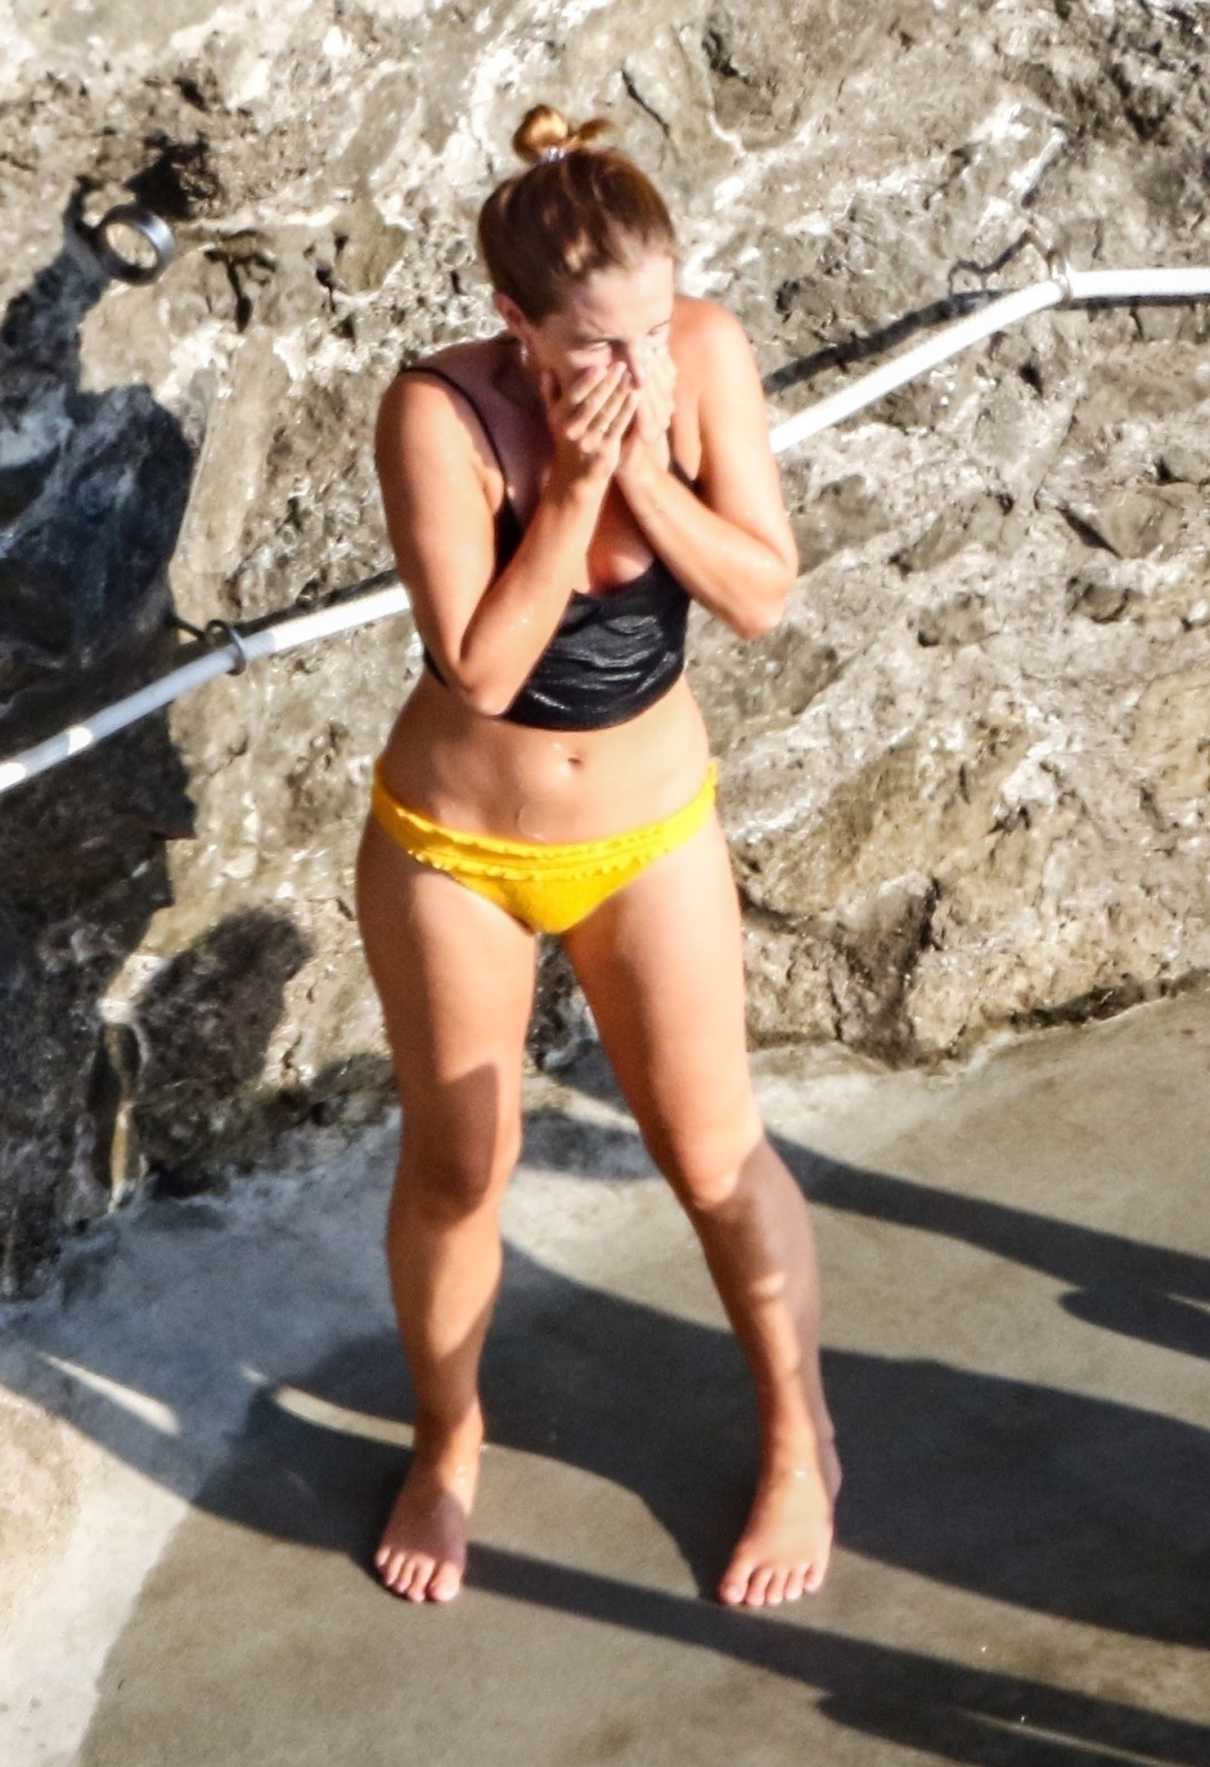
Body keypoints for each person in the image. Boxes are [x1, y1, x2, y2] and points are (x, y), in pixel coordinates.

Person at [354, 102, 841, 1609]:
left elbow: (759, 594)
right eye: (595, 345)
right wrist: (570, 486)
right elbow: (484, 668)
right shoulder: (436, 414)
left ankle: (799, 1438)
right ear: (514, 323)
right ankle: (448, 1441)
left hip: (650, 834)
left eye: (652, 327)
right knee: (460, 1167)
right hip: (456, 849)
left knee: (713, 1152)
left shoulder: (702, 352)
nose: (638, 366)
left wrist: (642, 472)